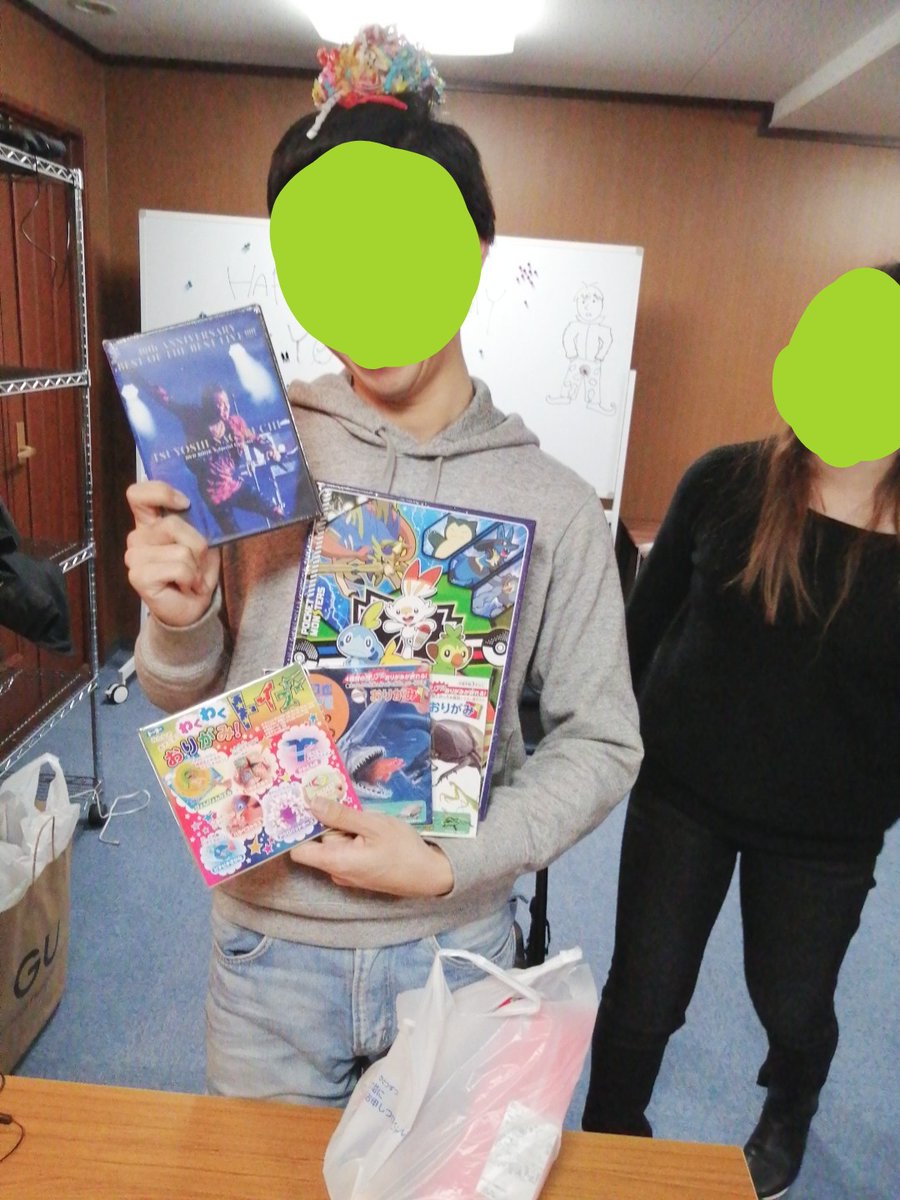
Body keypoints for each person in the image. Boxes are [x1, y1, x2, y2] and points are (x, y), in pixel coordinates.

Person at [124, 26, 641, 1108]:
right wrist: (178, 617)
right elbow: (182, 689)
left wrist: (456, 861)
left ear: (474, 251)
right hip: (267, 946)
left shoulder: (552, 500)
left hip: (456, 944)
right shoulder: (246, 445)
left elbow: (601, 740)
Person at [582, 263, 899, 1200]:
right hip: (682, 791)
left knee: (791, 1003)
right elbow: (640, 632)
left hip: (826, 836)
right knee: (644, 995)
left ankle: (790, 1102)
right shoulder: (725, 481)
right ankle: (612, 1135)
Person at [149, 382, 284, 538]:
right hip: (214, 494)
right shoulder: (194, 418)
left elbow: (254, 438)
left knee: (274, 510)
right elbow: (168, 402)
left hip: (233, 485)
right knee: (235, 536)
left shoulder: (235, 424)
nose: (226, 408)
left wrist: (270, 449)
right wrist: (145, 384)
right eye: (220, 404)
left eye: (227, 403)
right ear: (209, 406)